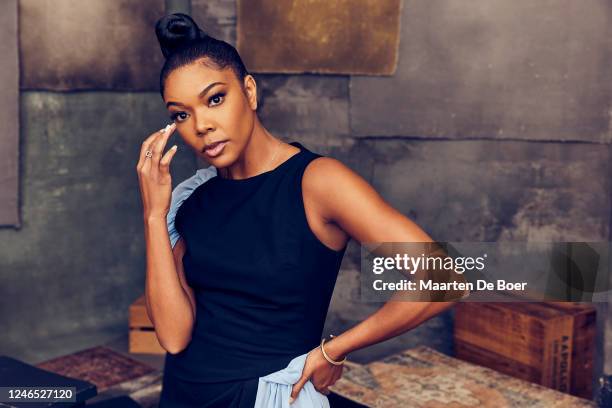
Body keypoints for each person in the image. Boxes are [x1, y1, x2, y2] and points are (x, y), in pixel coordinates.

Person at [136, 13, 468, 408]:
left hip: (268, 398)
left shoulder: (317, 182)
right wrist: (154, 215)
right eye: (181, 114)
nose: (201, 125)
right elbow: (173, 336)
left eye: (215, 99)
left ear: (250, 92)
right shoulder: (190, 197)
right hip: (184, 395)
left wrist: (335, 349)